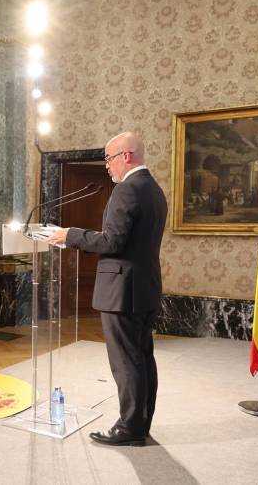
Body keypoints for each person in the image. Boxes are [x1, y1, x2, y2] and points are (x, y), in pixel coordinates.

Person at [48, 132, 167, 447]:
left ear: (126, 156)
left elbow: (112, 241)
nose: (106, 166)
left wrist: (69, 235)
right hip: (145, 286)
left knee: (126, 361)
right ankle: (140, 423)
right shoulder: (153, 190)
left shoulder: (127, 190)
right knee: (142, 358)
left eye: (109, 158)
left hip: (123, 290)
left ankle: (129, 428)